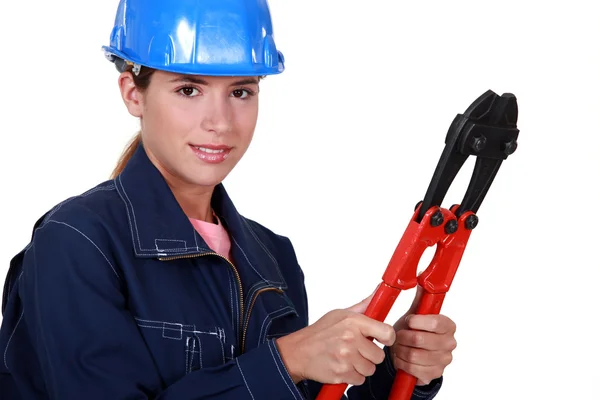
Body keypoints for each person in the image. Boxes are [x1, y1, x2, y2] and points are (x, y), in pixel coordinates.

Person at [0, 0, 458, 399]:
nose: (219, 121)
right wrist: (287, 359)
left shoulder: (271, 257)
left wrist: (397, 371)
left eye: (241, 91)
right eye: (188, 89)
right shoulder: (78, 242)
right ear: (133, 93)